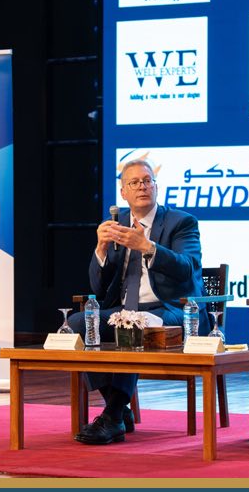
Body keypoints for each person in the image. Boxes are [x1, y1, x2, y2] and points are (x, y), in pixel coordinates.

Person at [69, 158, 206, 444]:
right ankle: (119, 408)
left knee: (132, 326)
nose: (142, 187)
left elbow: (188, 267)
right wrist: (101, 249)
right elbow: (98, 287)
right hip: (124, 310)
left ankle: (113, 417)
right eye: (134, 182)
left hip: (172, 310)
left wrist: (148, 246)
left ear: (156, 187)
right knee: (79, 324)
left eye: (147, 181)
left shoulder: (181, 222)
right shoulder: (117, 225)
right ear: (123, 193)